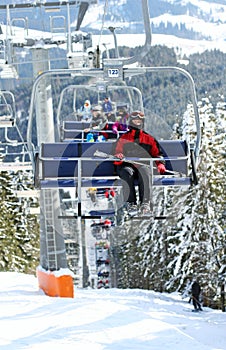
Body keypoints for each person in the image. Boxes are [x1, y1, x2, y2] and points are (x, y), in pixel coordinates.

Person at [113, 110, 166, 215]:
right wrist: (118, 157)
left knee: (145, 172)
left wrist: (160, 163)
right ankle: (130, 203)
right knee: (126, 173)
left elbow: (157, 154)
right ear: (131, 122)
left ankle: (145, 203)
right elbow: (116, 153)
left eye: (139, 121)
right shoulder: (124, 138)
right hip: (127, 165)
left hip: (143, 165)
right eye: (135, 120)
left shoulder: (149, 139)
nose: (137, 122)